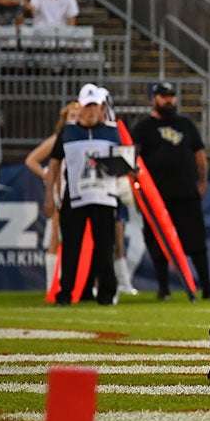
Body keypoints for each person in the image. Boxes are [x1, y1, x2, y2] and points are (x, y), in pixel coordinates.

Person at [129, 81, 210, 300]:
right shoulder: (143, 127)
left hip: (186, 193)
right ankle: (163, 288)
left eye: (172, 95)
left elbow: (199, 154)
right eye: (164, 96)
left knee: (196, 242)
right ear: (154, 99)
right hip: (156, 197)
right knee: (158, 243)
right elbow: (132, 161)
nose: (169, 100)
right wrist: (138, 193)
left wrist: (202, 181)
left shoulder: (185, 123)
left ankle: (206, 287)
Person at [44, 84, 122, 306]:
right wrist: (49, 196)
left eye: (95, 106)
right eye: (88, 106)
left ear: (101, 107)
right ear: (80, 106)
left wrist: (123, 166)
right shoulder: (67, 132)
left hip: (104, 196)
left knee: (105, 247)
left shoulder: (112, 130)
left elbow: (125, 161)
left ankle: (107, 294)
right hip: (75, 195)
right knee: (70, 246)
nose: (91, 111)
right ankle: (65, 293)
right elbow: (54, 164)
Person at [26, 102, 78, 291]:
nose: (75, 118)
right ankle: (51, 285)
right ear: (64, 119)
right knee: (56, 239)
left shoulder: (84, 138)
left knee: (82, 241)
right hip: (62, 194)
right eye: (71, 115)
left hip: (81, 194)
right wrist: (47, 176)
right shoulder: (59, 139)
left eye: (78, 115)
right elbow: (31, 160)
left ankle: (80, 283)